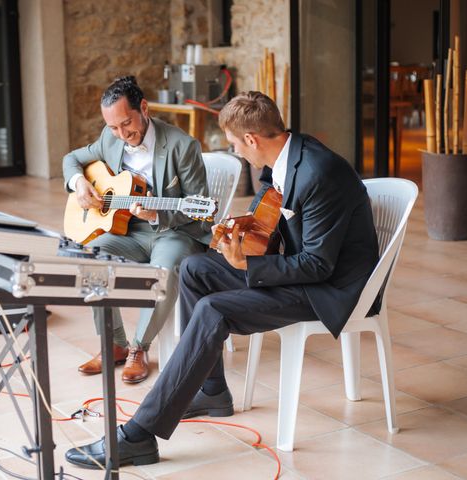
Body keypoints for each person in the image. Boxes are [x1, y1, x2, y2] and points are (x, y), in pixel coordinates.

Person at [65, 91, 380, 468]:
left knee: (214, 310)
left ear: (252, 139)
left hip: (328, 290)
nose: (236, 151)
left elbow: (318, 266)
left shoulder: (318, 172)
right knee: (196, 268)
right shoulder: (287, 158)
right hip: (301, 271)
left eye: (234, 144)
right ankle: (212, 390)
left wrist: (249, 266)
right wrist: (236, 236)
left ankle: (139, 435)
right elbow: (268, 219)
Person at [63, 76, 210, 384]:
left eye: (126, 124)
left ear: (144, 108)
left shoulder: (182, 146)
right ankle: (114, 343)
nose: (121, 133)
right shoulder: (110, 137)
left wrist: (157, 213)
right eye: (113, 127)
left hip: (174, 231)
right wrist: (79, 183)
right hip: (129, 231)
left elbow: (199, 210)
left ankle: (138, 349)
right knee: (91, 256)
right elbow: (72, 159)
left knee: (165, 268)